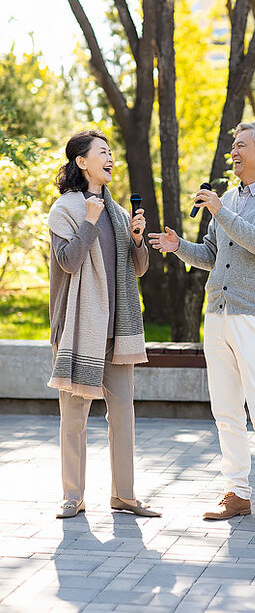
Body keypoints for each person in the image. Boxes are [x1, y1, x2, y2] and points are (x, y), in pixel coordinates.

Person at [149, 122, 255, 528]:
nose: (233, 151)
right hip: (218, 314)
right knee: (226, 411)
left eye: (241, 145)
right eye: (233, 145)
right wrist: (179, 247)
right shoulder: (229, 198)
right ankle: (238, 493)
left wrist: (220, 210)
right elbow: (213, 254)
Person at [48, 130, 160, 518]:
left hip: (119, 329)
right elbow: (68, 261)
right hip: (80, 329)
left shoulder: (117, 211)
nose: (110, 158)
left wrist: (138, 240)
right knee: (74, 417)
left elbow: (139, 269)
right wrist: (88, 223)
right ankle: (72, 496)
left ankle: (124, 495)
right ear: (82, 162)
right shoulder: (66, 208)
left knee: (123, 413)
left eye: (112, 152)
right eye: (102, 152)